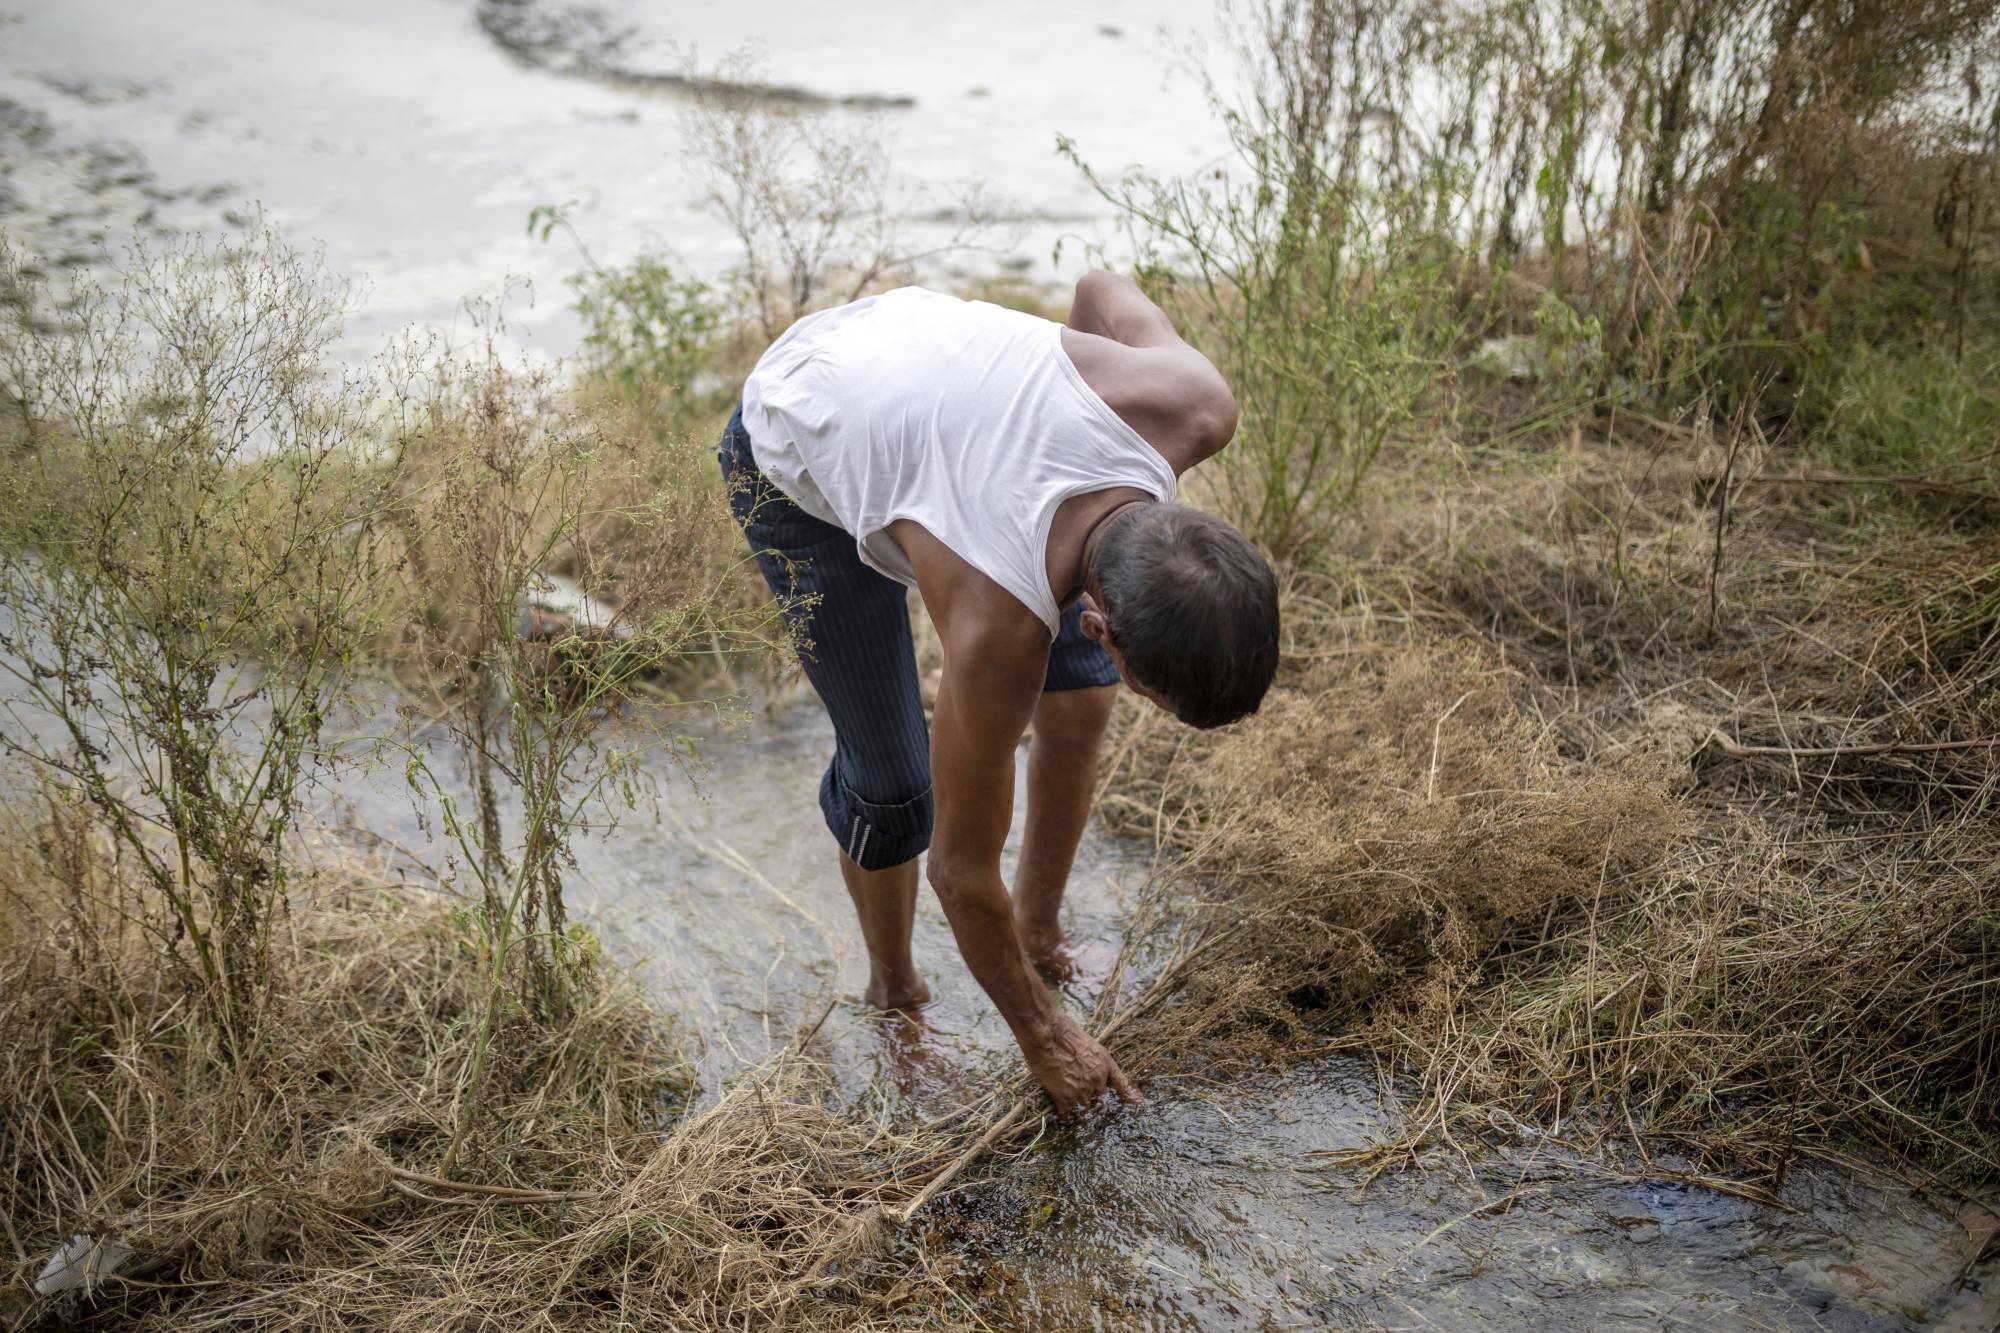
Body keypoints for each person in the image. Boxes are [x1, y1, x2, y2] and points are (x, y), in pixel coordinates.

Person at [718, 271, 1279, 1114]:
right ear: (1098, 625)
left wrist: (1031, 430)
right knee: (895, 787)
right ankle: (895, 994)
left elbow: (1097, 290)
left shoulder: (1193, 404)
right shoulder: (995, 632)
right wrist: (1047, 1038)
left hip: (914, 380)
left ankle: (1039, 927)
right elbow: (959, 868)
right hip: (801, 435)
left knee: (1083, 699)